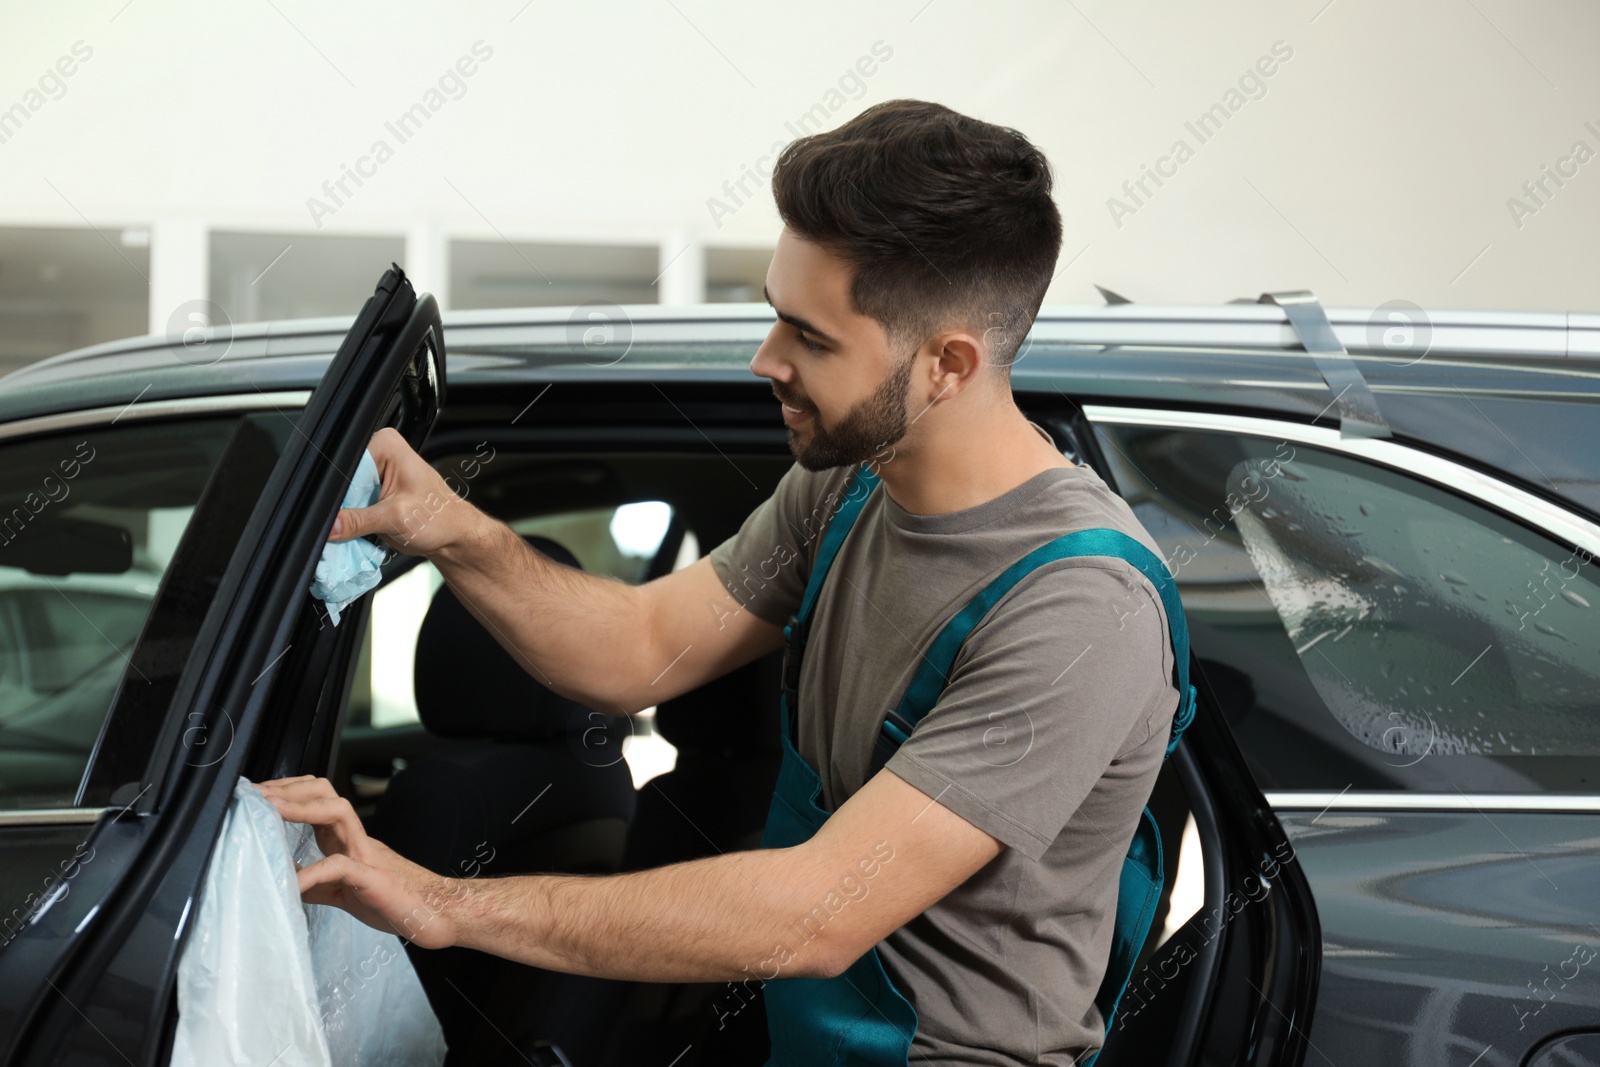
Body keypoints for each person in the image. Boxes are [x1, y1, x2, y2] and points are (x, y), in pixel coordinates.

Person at [259, 98, 1181, 1066]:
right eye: (775, 314)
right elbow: (643, 645)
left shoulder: (1079, 604)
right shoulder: (847, 486)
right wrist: (450, 527)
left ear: (947, 363)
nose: (765, 359)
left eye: (809, 337)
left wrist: (445, 903)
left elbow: (816, 910)